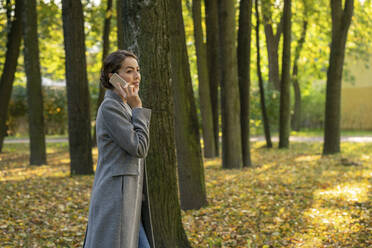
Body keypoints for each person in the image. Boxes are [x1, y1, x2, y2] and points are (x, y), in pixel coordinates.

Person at [83, 50, 155, 248]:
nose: (137, 76)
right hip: (116, 196)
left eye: (138, 70)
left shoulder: (124, 106)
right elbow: (139, 147)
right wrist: (138, 107)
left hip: (129, 196)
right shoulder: (111, 108)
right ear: (112, 76)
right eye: (129, 70)